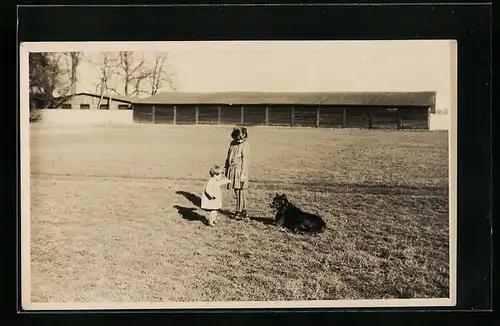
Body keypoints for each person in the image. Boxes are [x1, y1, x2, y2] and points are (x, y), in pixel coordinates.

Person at [224, 127, 250, 219]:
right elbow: (228, 157)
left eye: (242, 139)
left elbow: (245, 161)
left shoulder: (245, 145)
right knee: (238, 191)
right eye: (238, 139)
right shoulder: (232, 143)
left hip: (240, 171)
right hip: (232, 169)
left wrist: (243, 174)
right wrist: (226, 168)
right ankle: (244, 210)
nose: (240, 141)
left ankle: (239, 211)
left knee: (240, 191)